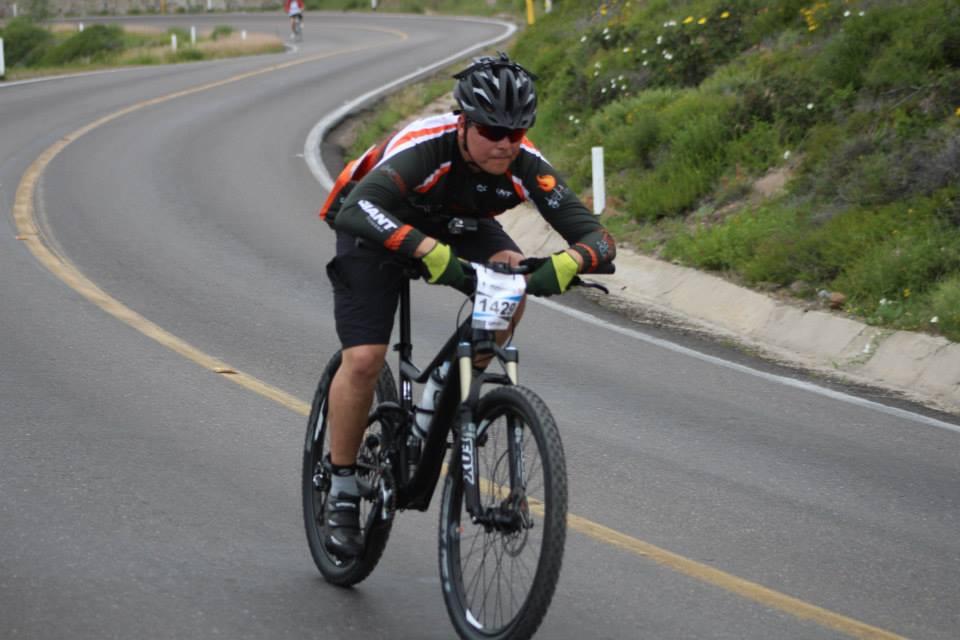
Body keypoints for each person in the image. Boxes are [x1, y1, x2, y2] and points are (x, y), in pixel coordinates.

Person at [316, 52, 616, 557]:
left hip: (458, 223)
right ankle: (343, 487)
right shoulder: (426, 147)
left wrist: (566, 264)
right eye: (492, 131)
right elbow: (357, 208)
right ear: (464, 122)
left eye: (516, 133)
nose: (505, 144)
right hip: (373, 222)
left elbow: (599, 240)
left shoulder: (525, 163)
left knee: (511, 277)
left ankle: (455, 391)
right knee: (365, 358)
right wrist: (428, 252)